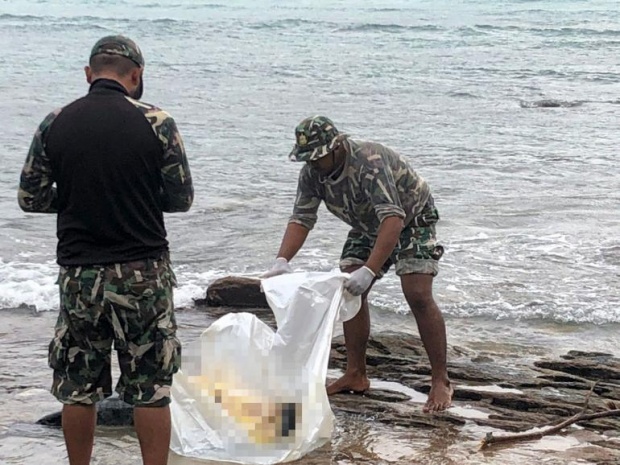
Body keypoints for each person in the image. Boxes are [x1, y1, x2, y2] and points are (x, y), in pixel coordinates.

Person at [18, 35, 194, 465]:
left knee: (77, 387)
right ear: (135, 77)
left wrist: (78, 197)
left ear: (89, 74)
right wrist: (137, 196)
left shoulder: (55, 122)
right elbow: (181, 197)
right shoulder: (158, 122)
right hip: (143, 273)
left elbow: (31, 197)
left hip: (81, 275)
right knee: (151, 389)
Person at [263, 115, 452, 412]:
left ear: (336, 147)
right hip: (368, 226)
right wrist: (282, 260)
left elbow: (393, 218)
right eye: (308, 158)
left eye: (318, 157)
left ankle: (441, 380)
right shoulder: (312, 173)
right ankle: (356, 374)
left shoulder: (368, 162)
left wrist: (370, 269)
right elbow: (302, 218)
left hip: (412, 218)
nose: (313, 163)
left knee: (417, 292)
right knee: (349, 288)